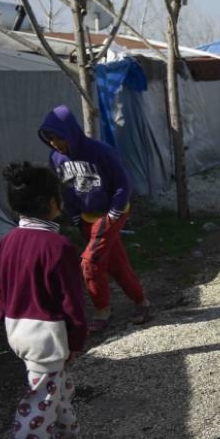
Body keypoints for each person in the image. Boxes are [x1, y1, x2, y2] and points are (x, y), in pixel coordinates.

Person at [0, 162, 107, 439]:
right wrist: (77, 342)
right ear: (52, 202)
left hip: (18, 331)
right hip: (49, 336)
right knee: (37, 407)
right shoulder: (57, 246)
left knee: (58, 391)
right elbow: (72, 303)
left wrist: (9, 319)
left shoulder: (6, 242)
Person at [39, 106, 149, 333]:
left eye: (59, 137)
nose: (55, 143)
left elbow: (123, 183)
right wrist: (75, 216)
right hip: (86, 217)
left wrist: (114, 213)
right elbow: (66, 189)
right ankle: (142, 302)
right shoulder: (56, 158)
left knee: (89, 262)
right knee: (114, 261)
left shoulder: (101, 152)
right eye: (50, 138)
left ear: (71, 132)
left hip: (110, 213)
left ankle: (102, 311)